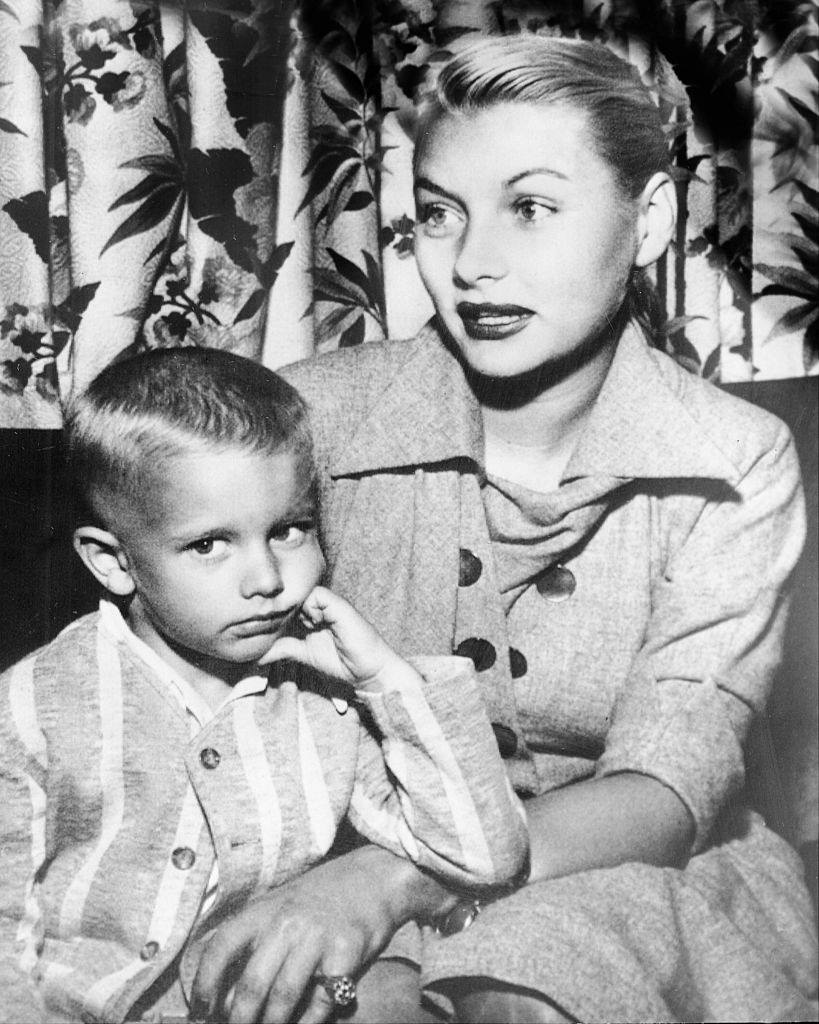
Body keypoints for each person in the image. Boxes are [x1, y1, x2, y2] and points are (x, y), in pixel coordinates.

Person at [189, 34, 819, 1024]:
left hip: (637, 875)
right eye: (441, 213)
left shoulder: (737, 459)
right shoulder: (299, 421)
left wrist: (393, 884)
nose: (474, 264)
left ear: (647, 220)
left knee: (527, 978)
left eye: (530, 207)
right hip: (340, 862)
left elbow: (665, 788)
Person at [0, 347, 529, 1024]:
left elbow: (485, 857)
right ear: (113, 561)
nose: (267, 579)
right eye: (209, 544)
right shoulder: (33, 710)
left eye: (289, 530)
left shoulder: (323, 700)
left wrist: (388, 681)